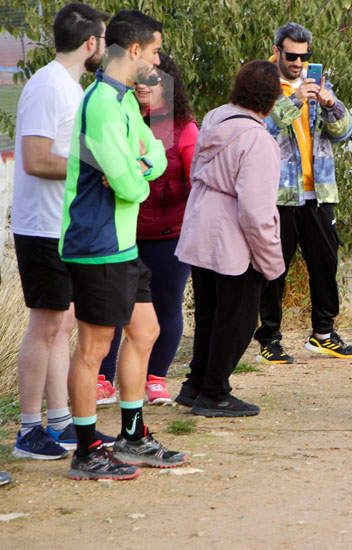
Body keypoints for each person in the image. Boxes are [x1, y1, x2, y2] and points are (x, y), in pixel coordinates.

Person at [60, 9, 186, 480]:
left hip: (122, 244)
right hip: (96, 243)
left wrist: (140, 166)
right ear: (134, 50)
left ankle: (132, 436)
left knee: (145, 330)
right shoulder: (101, 104)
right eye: (155, 51)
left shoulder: (125, 101)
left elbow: (153, 154)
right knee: (94, 347)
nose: (157, 60)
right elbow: (132, 185)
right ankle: (88, 447)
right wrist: (138, 171)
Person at [10, 3, 116, 460]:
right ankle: (28, 428)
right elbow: (35, 160)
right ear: (91, 43)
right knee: (46, 324)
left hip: (65, 226)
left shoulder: (74, 88)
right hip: (41, 227)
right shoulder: (47, 86)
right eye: (104, 40)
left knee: (63, 324)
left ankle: (61, 422)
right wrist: (93, 166)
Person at [174, 60, 285, 417]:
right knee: (237, 320)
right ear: (270, 102)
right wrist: (272, 263)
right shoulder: (258, 141)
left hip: (200, 226)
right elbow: (255, 212)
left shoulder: (213, 120)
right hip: (232, 239)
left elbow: (196, 171)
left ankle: (194, 385)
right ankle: (215, 392)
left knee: (208, 313)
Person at [253, 22, 352, 363]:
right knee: (274, 270)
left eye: (303, 56)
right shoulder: (264, 85)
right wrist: (294, 101)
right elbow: (261, 130)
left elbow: (344, 132)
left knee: (325, 265)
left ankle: (323, 334)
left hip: (320, 193)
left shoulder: (318, 83)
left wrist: (330, 105)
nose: (298, 62)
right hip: (280, 195)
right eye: (291, 55)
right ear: (278, 51)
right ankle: (269, 339)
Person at [98, 52, 199, 406]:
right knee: (115, 308)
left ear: (169, 86)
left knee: (166, 307)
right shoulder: (121, 118)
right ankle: (102, 378)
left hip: (170, 235)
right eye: (140, 78)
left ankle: (155, 378)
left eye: (153, 79)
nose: (144, 85)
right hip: (124, 232)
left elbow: (197, 181)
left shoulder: (184, 128)